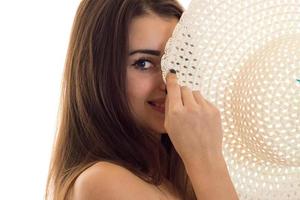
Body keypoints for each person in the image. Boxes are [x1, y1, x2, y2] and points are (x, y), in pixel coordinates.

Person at [46, 0, 239, 199]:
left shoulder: (168, 178)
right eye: (144, 63)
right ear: (99, 74)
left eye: (178, 61)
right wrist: (206, 159)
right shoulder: (105, 182)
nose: (167, 82)